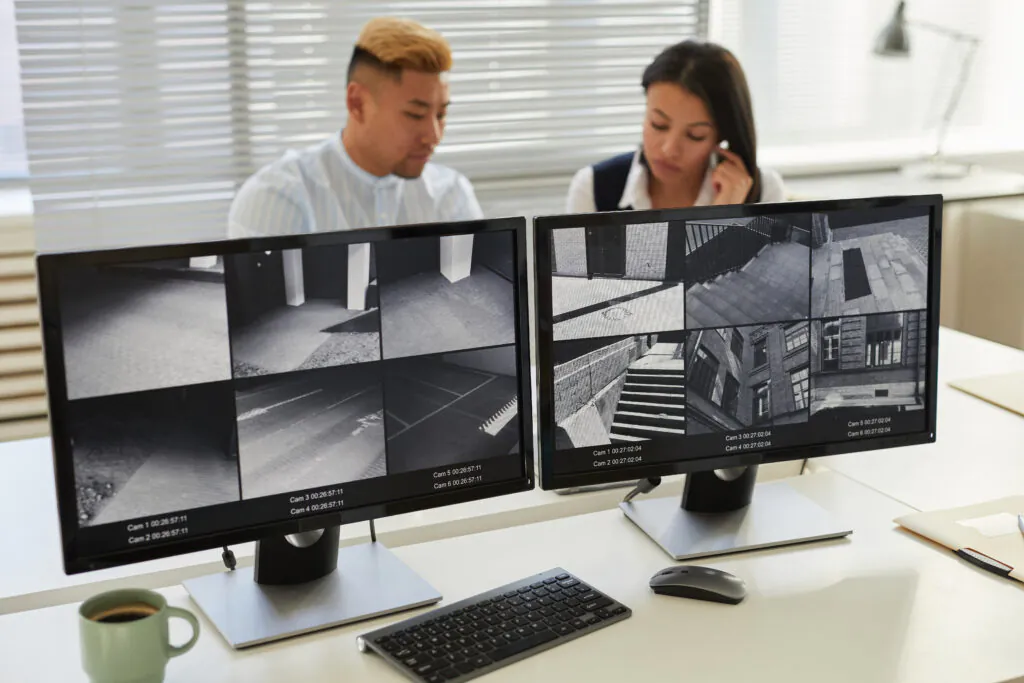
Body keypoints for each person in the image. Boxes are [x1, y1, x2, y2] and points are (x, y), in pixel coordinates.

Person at [228, 17, 482, 237]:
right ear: (357, 103)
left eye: (441, 114)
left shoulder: (452, 196)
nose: (433, 136)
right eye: (415, 115)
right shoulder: (276, 199)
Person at [566, 40, 784, 213]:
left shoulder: (764, 192)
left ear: (721, 136)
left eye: (695, 135)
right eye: (658, 125)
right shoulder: (592, 188)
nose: (669, 149)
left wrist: (726, 216)